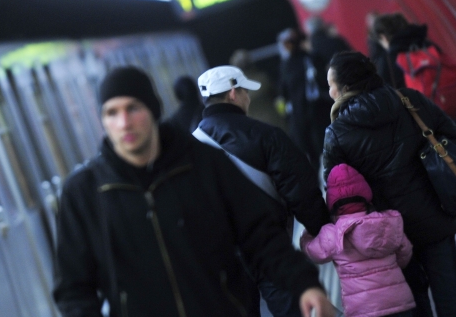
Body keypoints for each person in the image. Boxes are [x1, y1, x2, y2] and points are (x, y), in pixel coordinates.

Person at [53, 66, 335, 317]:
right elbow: (73, 288)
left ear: (153, 109)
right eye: (111, 113)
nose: (124, 122)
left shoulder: (201, 163)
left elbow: (259, 235)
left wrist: (304, 284)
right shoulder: (85, 193)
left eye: (133, 108)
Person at [323, 51, 456, 317]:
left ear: (344, 88)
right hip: (435, 215)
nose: (330, 92)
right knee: (450, 293)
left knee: (414, 301)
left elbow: (337, 192)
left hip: (387, 232)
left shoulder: (337, 133)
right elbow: (453, 138)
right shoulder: (409, 101)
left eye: (331, 85)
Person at [194, 65, 331, 317]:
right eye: (246, 92)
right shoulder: (266, 135)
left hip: (223, 257)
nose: (248, 98)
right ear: (234, 93)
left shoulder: (190, 149)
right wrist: (321, 227)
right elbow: (300, 190)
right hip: (269, 248)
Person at [372, 13, 456, 261]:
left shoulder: (389, 57)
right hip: (454, 118)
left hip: (423, 131)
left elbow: (391, 103)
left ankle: (449, 247)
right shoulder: (427, 43)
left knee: (438, 183)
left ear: (383, 37)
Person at [300, 164, 416, 317]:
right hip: (401, 303)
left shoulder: (333, 234)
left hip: (363, 309)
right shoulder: (388, 222)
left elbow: (312, 252)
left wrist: (306, 235)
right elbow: (405, 252)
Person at [277, 28, 331, 171]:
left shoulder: (286, 65)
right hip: (319, 110)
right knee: (325, 149)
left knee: (310, 154)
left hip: (300, 115)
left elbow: (284, 91)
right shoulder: (312, 58)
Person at [231, 49, 287, 129]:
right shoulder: (263, 79)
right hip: (275, 122)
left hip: (256, 129)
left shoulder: (237, 91)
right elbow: (277, 97)